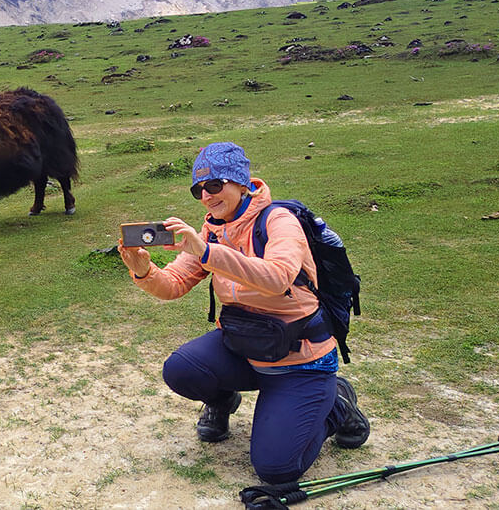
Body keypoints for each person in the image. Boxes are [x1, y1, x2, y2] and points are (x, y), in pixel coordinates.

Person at [117, 142, 370, 483]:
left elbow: (278, 277)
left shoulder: (279, 221)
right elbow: (174, 283)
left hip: (299, 361)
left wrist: (207, 251)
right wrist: (143, 271)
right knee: (181, 370)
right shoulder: (211, 229)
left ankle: (337, 404)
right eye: (199, 189)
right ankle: (222, 401)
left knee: (276, 469)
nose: (206, 195)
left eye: (215, 185)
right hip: (246, 347)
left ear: (243, 183)